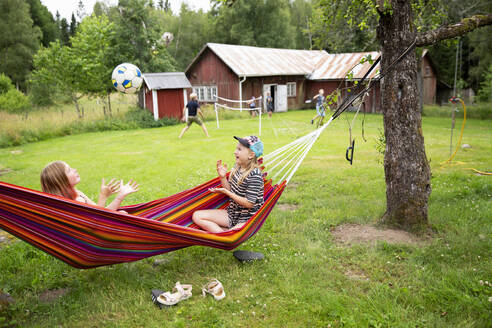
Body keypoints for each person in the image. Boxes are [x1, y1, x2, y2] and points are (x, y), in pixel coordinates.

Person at [192, 136, 264, 233]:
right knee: (197, 216)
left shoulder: (255, 175)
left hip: (247, 219)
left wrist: (227, 193)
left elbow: (249, 203)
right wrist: (222, 177)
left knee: (232, 237)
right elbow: (230, 190)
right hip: (232, 214)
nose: (235, 152)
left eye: (239, 149)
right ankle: (223, 234)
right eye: (236, 148)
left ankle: (223, 235)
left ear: (251, 155)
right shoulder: (238, 167)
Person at [40, 161, 139, 210]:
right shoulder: (69, 204)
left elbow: (105, 212)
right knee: (122, 214)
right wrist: (103, 196)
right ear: (60, 180)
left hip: (99, 233)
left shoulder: (79, 194)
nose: (75, 170)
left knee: (122, 214)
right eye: (69, 170)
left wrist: (120, 196)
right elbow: (98, 221)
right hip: (94, 241)